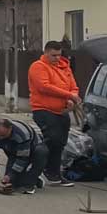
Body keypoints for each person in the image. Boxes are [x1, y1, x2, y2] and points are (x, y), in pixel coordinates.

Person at [28, 40, 79, 187]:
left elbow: (73, 87)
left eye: (59, 55)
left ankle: (54, 173)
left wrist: (71, 98)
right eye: (53, 55)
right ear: (45, 53)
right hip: (43, 110)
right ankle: (38, 169)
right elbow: (44, 87)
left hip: (62, 111)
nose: (57, 58)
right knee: (52, 140)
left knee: (60, 143)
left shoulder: (65, 68)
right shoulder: (38, 67)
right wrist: (68, 95)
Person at [0, 116, 48, 193]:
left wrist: (11, 174)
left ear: (10, 128)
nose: (0, 138)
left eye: (3, 135)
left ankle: (30, 182)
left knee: (41, 153)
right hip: (13, 151)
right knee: (11, 183)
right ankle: (34, 180)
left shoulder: (22, 134)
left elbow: (22, 159)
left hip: (34, 148)